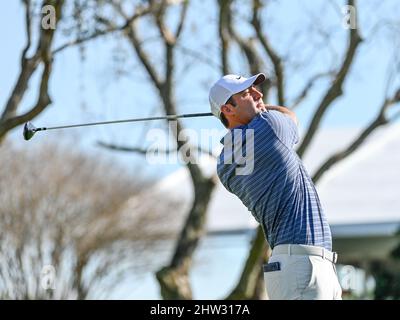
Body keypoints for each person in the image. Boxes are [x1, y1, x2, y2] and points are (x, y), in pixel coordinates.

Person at [209, 73, 342, 300]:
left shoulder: (224, 164)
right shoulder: (270, 128)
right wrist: (264, 107)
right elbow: (290, 115)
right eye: (247, 94)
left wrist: (248, 108)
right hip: (303, 266)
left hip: (297, 266)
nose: (258, 94)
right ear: (228, 109)